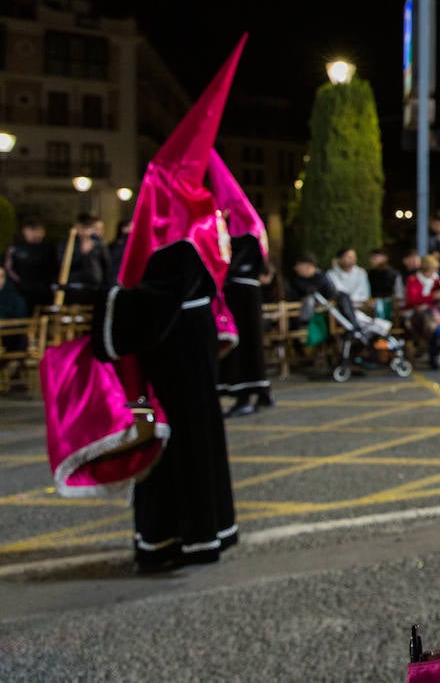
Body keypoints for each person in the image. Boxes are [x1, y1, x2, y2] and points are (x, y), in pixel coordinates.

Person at [89, 36, 246, 572]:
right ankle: (207, 532)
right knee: (199, 440)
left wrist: (109, 307)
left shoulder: (181, 233)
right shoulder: (206, 222)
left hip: (176, 358)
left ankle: (175, 539)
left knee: (177, 447)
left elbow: (153, 307)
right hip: (192, 348)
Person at [207, 151, 273, 419]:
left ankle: (246, 394)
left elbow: (229, 264)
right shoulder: (251, 228)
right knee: (249, 344)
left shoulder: (243, 231)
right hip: (242, 293)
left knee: (244, 345)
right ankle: (260, 390)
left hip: (240, 295)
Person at [404, 254, 440, 368]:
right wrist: (431, 297)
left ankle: (436, 355)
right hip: (416, 315)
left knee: (432, 321)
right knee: (431, 317)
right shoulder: (413, 280)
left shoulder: (435, 279)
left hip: (432, 314)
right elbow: (412, 300)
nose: (434, 272)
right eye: (432, 270)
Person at [5, 217, 59, 312]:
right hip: (22, 292)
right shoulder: (15, 248)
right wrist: (20, 285)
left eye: (38, 230)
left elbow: (55, 269)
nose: (35, 233)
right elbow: (9, 269)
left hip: (44, 292)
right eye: (32, 230)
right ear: (24, 231)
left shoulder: (49, 248)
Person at [64, 212, 112, 305]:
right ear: (77, 228)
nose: (85, 232)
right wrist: (82, 253)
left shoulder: (100, 244)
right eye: (82, 228)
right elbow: (63, 264)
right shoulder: (68, 244)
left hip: (95, 286)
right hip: (73, 287)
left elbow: (107, 265)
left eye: (88, 228)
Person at [366, 248, 404, 320]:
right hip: (372, 304)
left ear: (385, 258)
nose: (372, 260)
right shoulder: (369, 274)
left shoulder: (394, 274)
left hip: (390, 303)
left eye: (375, 258)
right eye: (372, 258)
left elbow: (398, 294)